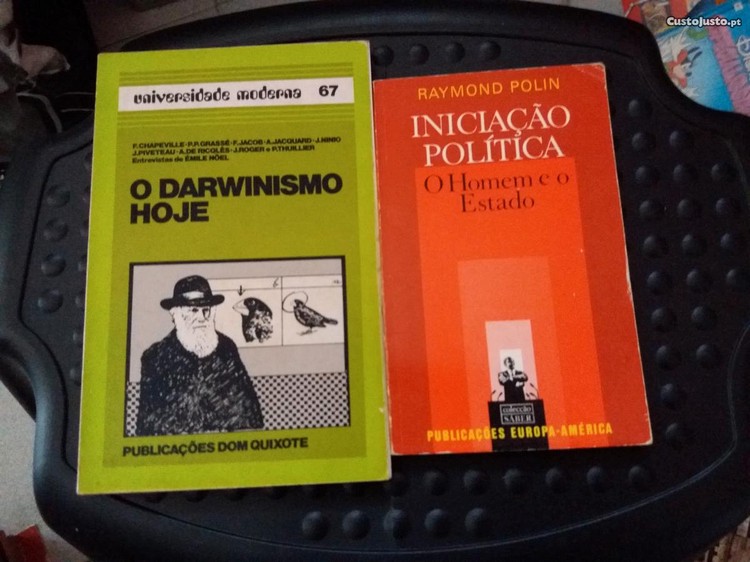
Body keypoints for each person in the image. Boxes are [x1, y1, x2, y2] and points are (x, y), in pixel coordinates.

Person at [136, 275, 264, 436]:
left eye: (206, 310)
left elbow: (249, 413)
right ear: (176, 314)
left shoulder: (226, 349)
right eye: (194, 310)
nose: (202, 318)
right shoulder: (156, 357)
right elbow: (148, 425)